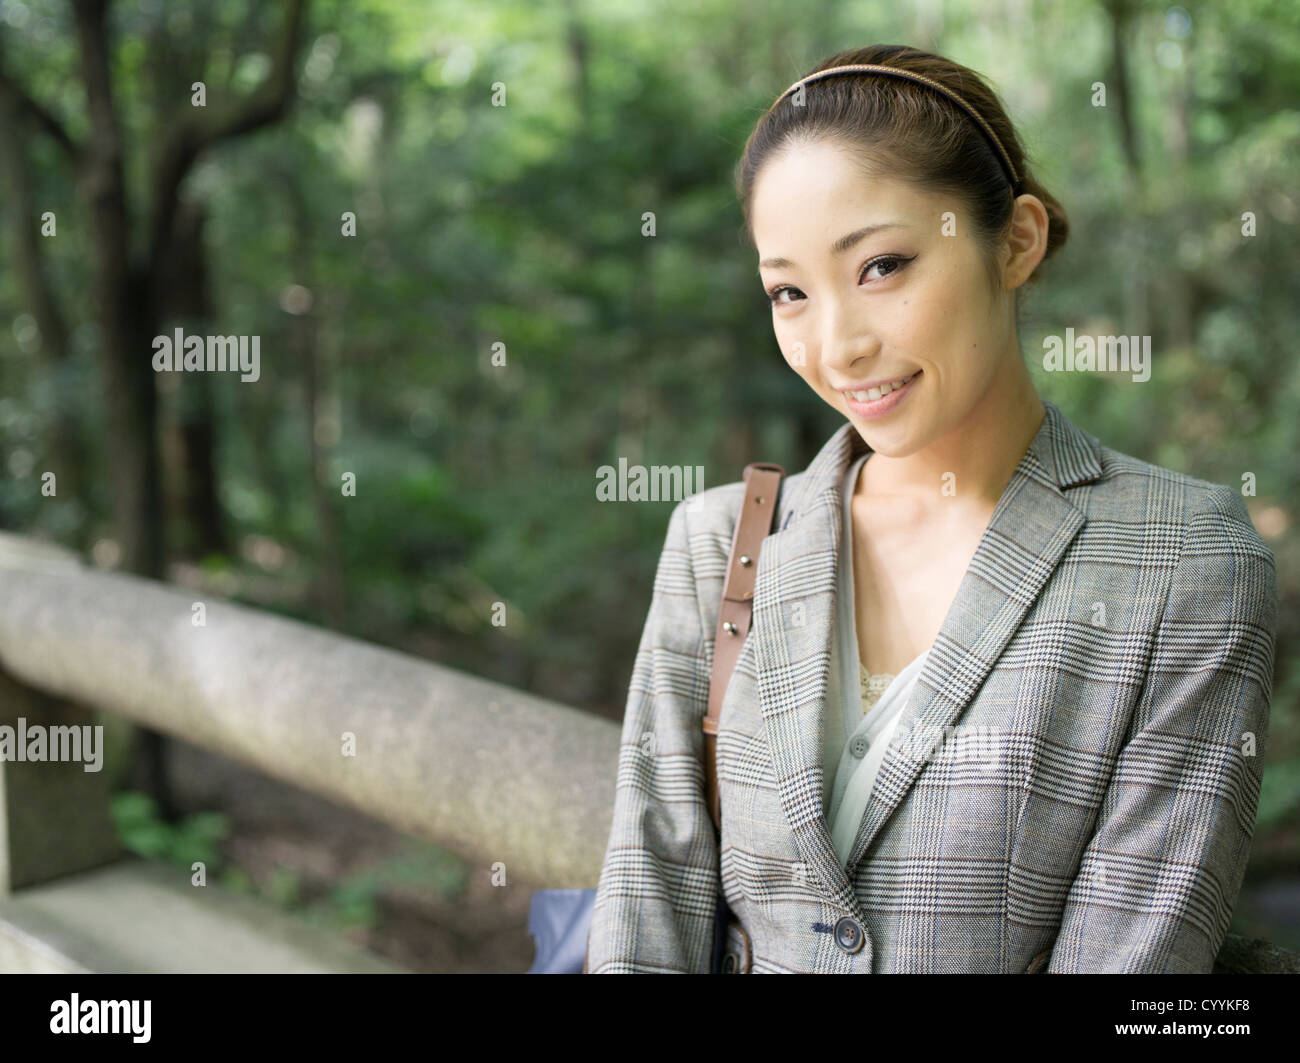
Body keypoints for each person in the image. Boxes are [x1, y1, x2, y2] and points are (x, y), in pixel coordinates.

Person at [584, 44, 1278, 973]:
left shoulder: (1185, 562)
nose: (837, 347)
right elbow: (649, 890)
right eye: (789, 290)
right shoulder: (722, 543)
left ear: (1016, 242)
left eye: (881, 266)